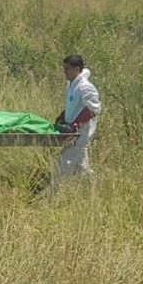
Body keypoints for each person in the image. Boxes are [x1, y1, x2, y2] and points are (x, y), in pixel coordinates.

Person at [49, 55, 101, 193]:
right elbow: (74, 105)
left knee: (61, 164)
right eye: (63, 68)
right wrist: (63, 116)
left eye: (67, 69)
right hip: (73, 131)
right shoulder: (72, 83)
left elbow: (94, 109)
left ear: (77, 69)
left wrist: (76, 123)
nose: (64, 71)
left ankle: (51, 196)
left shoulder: (85, 86)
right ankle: (93, 194)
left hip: (81, 132)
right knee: (81, 168)